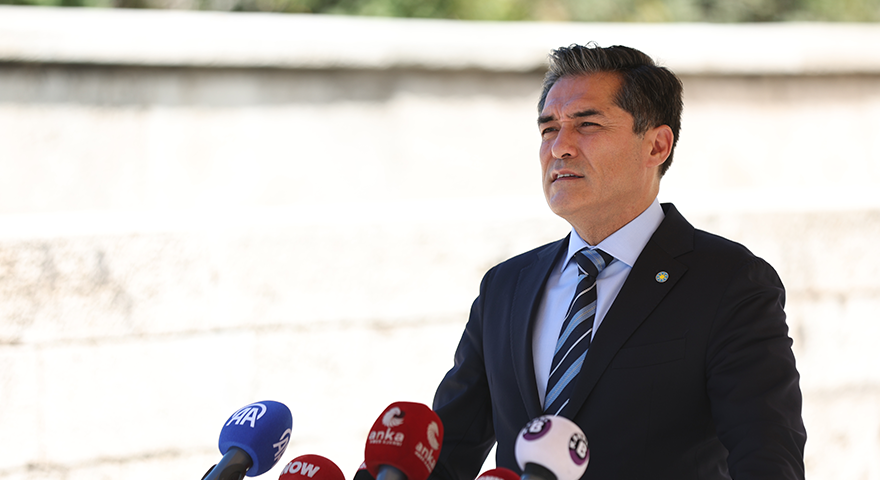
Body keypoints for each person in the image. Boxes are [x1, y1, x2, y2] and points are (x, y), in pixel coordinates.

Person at [429, 43, 806, 480]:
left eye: (587, 125)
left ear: (657, 145)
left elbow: (766, 457)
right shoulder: (506, 285)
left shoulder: (729, 282)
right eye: (549, 129)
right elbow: (444, 452)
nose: (559, 148)